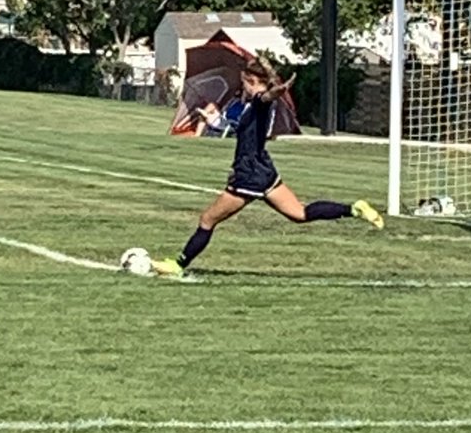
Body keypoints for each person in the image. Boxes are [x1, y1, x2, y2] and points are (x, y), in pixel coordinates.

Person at [153, 58, 383, 277]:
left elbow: (266, 97)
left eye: (244, 82)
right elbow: (241, 127)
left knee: (207, 220)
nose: (242, 87)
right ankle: (354, 209)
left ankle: (178, 264)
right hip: (264, 170)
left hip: (249, 175)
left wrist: (277, 92)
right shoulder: (250, 107)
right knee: (300, 214)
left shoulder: (259, 101)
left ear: (252, 82)